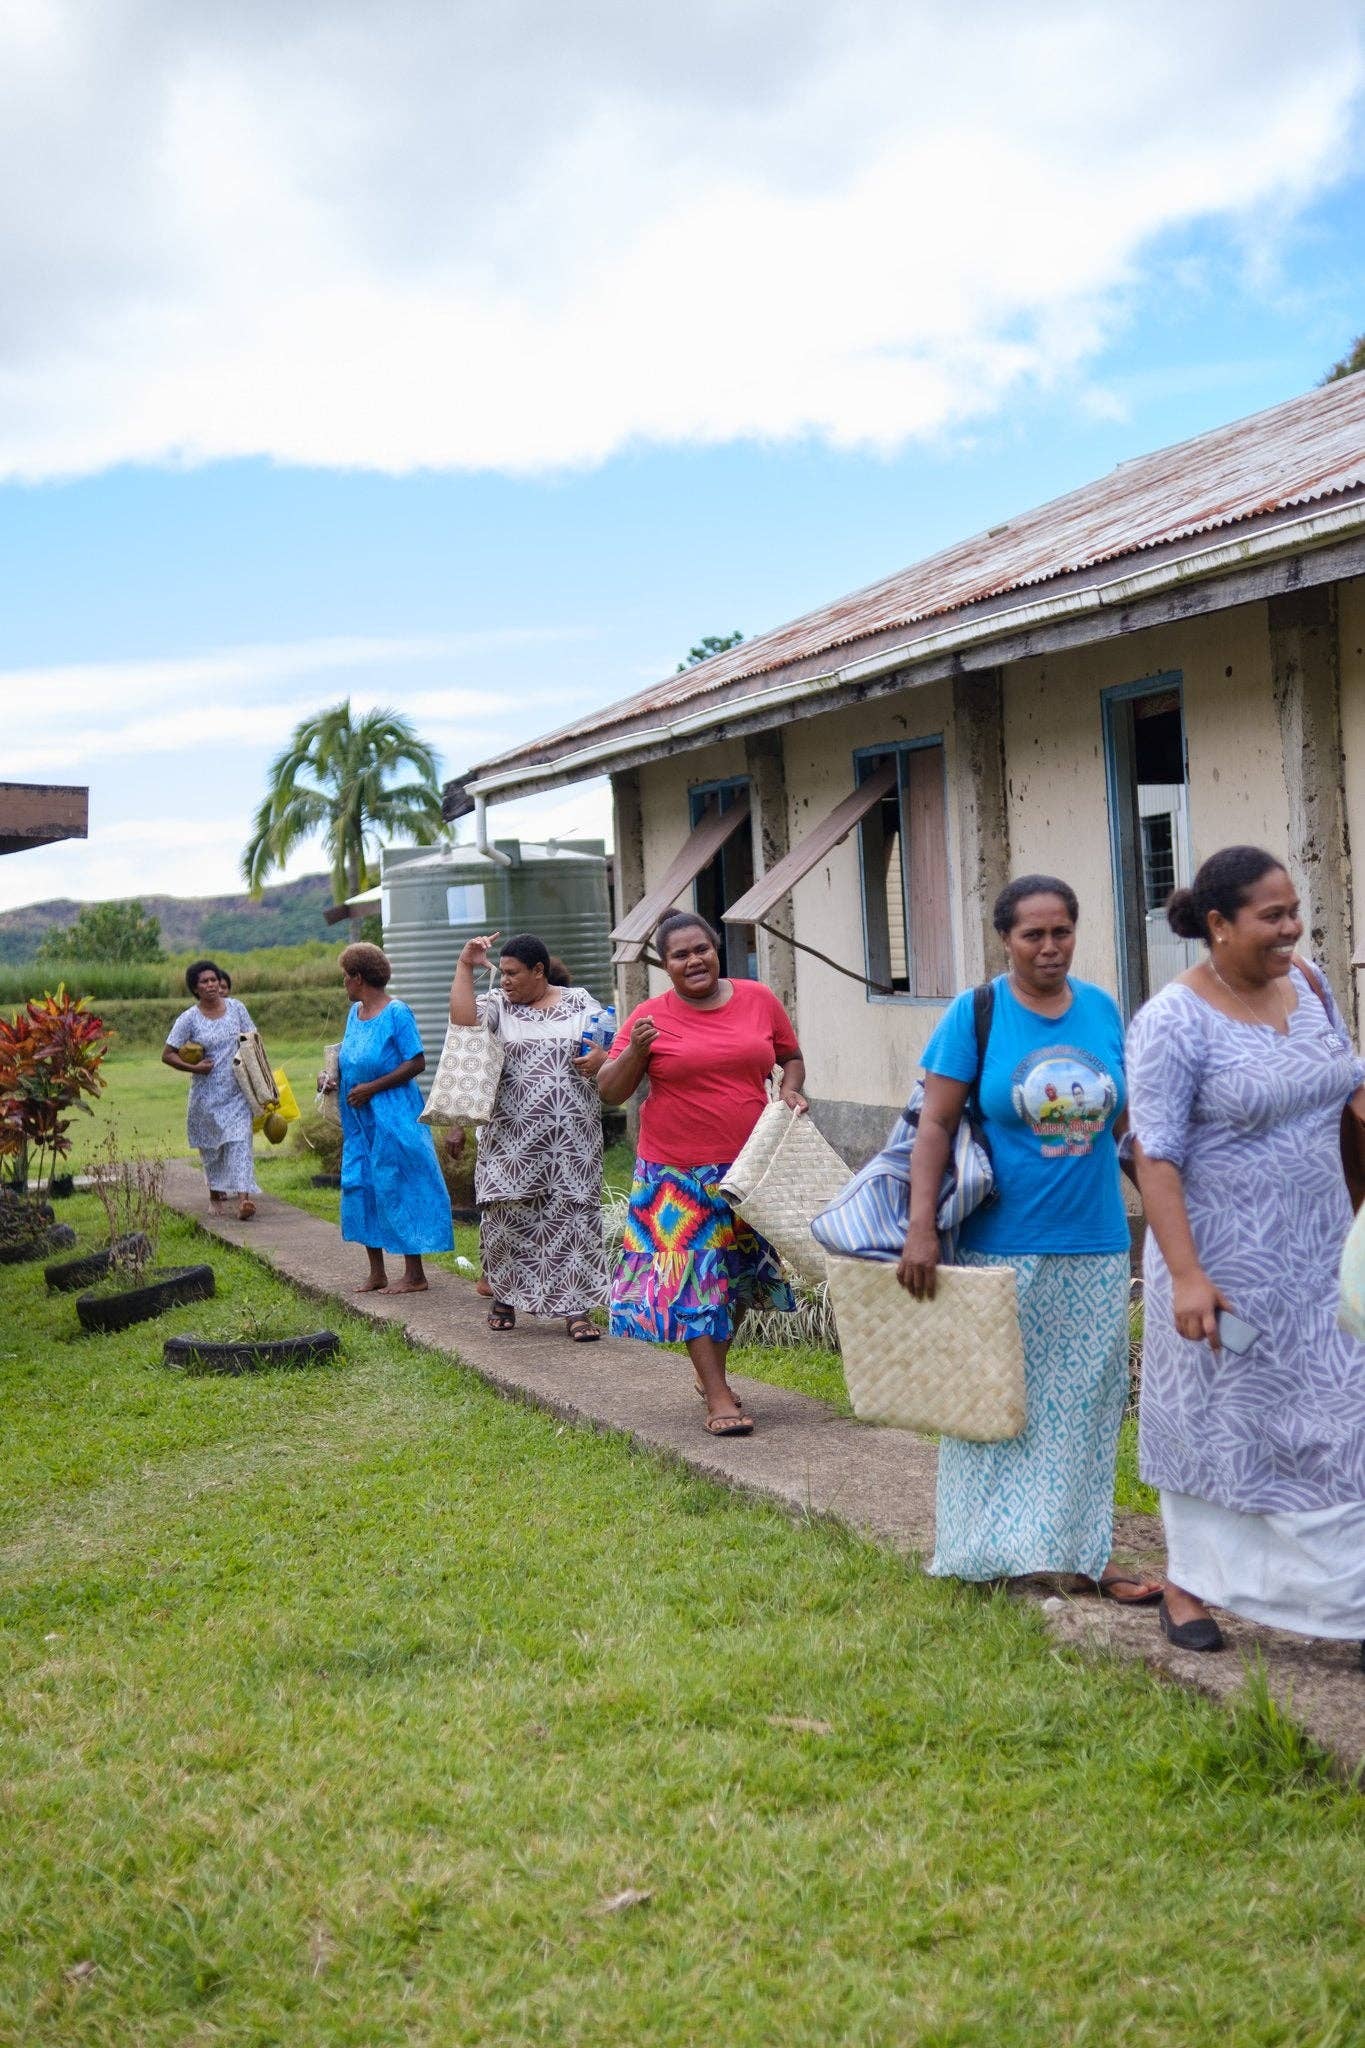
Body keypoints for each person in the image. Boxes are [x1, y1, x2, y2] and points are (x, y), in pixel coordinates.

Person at [1127, 846, 1365, 1659]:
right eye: (1272, 916)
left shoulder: (1307, 984)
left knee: (1339, 1429)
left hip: (1320, 1258)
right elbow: (1153, 1154)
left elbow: (1340, 1088)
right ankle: (1189, 1583)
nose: (1291, 929)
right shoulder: (1171, 1020)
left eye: (1293, 911)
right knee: (1223, 1427)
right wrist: (1187, 1276)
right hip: (1220, 1266)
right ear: (1219, 924)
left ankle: (1346, 1605)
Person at [898, 876, 1161, 1602]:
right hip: (997, 1241)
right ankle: (992, 1552)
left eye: (1061, 932)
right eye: (1032, 935)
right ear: (1005, 939)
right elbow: (934, 1126)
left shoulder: (1103, 1009)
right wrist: (920, 1229)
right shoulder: (975, 1013)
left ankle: (1086, 1551)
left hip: (1096, 1239)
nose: (1049, 947)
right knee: (994, 1399)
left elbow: (1121, 1130)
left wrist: (1167, 1211)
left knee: (1087, 1401)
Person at [597, 910, 806, 1436]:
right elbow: (610, 1090)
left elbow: (790, 1056)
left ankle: (710, 1374)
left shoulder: (759, 999)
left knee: (734, 1282)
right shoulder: (648, 1015)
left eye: (701, 949)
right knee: (693, 1285)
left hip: (746, 1170)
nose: (694, 961)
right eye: (680, 955)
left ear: (717, 951)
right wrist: (639, 1051)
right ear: (664, 965)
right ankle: (717, 1396)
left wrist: (789, 1089)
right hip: (675, 1173)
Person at [448, 931, 609, 1340]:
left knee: (573, 1218)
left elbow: (608, 1043)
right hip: (511, 1139)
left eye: (513, 973)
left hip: (573, 1139)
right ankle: (505, 1296)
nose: (505, 980)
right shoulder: (499, 1006)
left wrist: (601, 1057)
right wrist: (466, 965)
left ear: (539, 971)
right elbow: (463, 1022)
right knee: (506, 1215)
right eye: (501, 972)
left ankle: (575, 1311)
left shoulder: (579, 1002)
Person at [319, 941, 453, 1293]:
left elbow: (416, 1062)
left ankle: (414, 1274)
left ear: (359, 977)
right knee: (362, 1184)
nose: (344, 983)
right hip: (359, 1120)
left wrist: (373, 1088)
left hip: (393, 1113)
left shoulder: (397, 1013)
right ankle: (376, 1270)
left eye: (346, 977)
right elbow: (353, 1059)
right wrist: (333, 1079)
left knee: (399, 1182)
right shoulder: (355, 1014)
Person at [162, 959, 260, 1221]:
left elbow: (253, 1039)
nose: (211, 985)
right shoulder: (189, 1019)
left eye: (214, 979)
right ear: (196, 988)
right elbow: (168, 1054)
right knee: (212, 1148)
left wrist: (257, 1070)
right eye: (204, 982)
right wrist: (194, 1068)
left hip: (237, 1092)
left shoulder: (237, 1008)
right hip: (206, 1096)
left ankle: (244, 1199)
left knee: (240, 1142)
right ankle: (216, 1194)